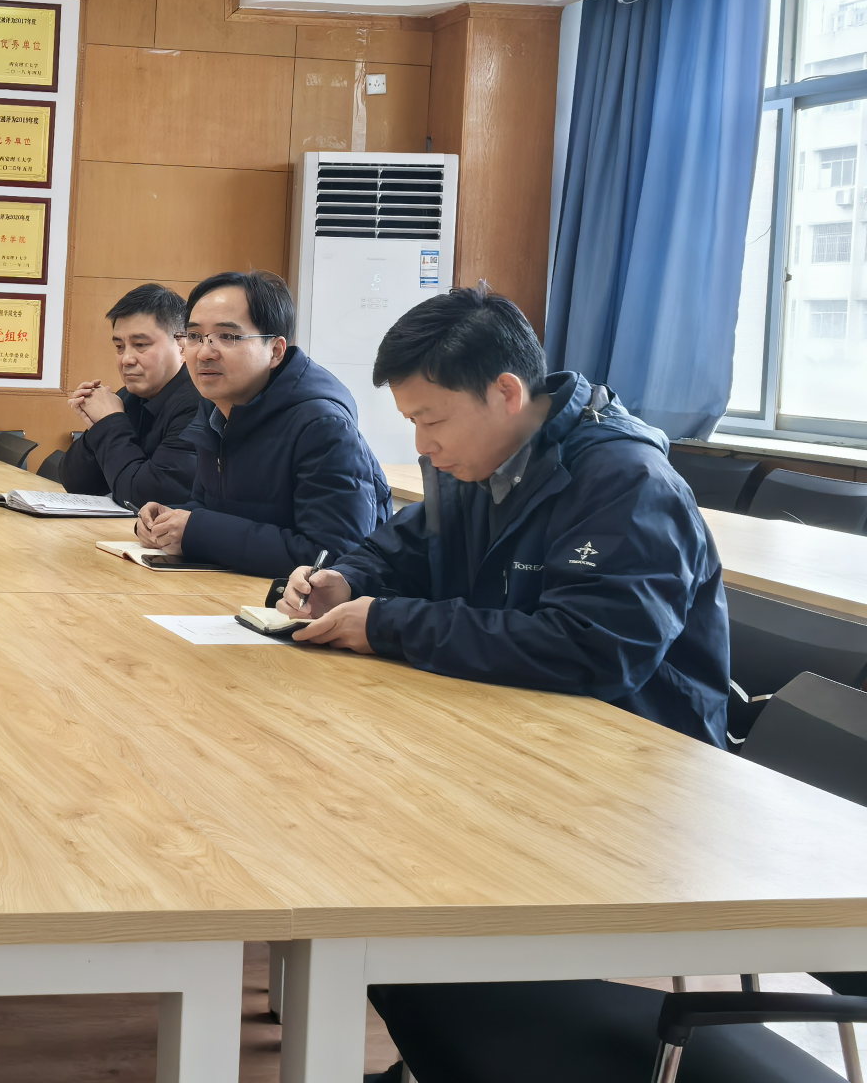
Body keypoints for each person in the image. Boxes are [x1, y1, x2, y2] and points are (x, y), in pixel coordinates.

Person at [279, 284, 729, 746]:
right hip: (515, 722)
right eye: (412, 423)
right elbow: (400, 552)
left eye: (432, 421)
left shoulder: (629, 483)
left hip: (635, 747)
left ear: (507, 394)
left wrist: (387, 624)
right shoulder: (478, 463)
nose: (423, 446)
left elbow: (591, 651)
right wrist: (346, 580)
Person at [134, 271, 392, 576]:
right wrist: (170, 519)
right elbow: (216, 511)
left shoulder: (324, 427)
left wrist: (195, 531)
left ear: (275, 351)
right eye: (194, 337)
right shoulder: (216, 409)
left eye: (227, 336)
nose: (204, 352)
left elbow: (333, 557)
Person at [58, 282, 200, 508]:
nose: (126, 359)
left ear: (182, 346)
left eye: (140, 344)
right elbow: (77, 484)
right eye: (119, 346)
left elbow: (146, 498)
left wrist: (109, 422)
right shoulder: (128, 397)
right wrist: (98, 427)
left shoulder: (198, 405)